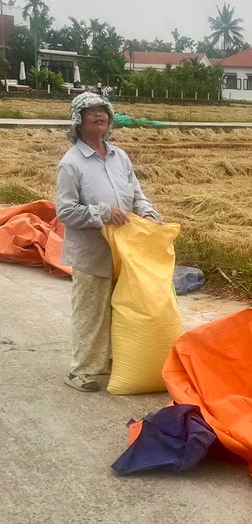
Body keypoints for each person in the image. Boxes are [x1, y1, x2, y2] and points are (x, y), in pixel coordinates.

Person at [56, 91, 161, 392]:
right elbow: (65, 211)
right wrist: (101, 213)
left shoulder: (119, 156)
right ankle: (81, 371)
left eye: (104, 111)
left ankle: (112, 361)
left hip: (124, 252)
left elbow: (136, 192)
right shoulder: (71, 163)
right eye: (91, 112)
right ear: (79, 120)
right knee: (91, 312)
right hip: (92, 253)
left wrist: (149, 213)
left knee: (121, 309)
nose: (100, 115)